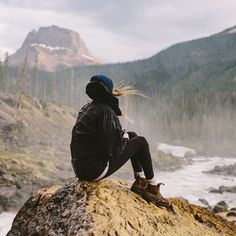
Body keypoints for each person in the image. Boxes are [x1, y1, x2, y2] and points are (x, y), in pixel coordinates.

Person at [70, 74, 171, 208]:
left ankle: (140, 182)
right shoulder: (105, 111)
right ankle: (152, 188)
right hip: (93, 170)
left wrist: (124, 137)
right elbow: (112, 152)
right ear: (109, 91)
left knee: (132, 135)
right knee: (141, 142)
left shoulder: (89, 108)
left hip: (81, 168)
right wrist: (123, 139)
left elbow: (102, 142)